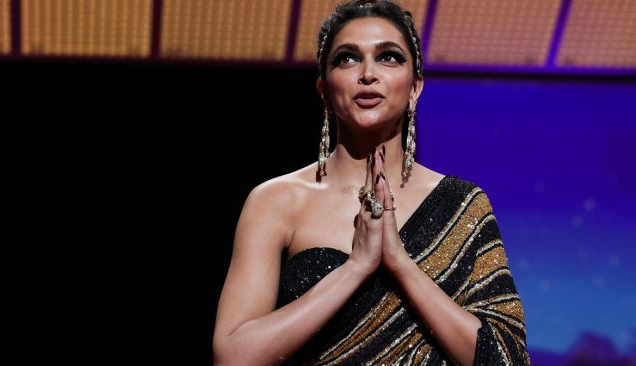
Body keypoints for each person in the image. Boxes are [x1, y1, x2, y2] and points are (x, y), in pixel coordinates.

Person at [213, 1, 529, 365]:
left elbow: (507, 358)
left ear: (415, 89)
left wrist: (400, 264)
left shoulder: (462, 204)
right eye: (347, 58)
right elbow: (233, 357)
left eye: (389, 57)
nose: (367, 73)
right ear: (324, 92)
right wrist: (356, 267)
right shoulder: (277, 201)